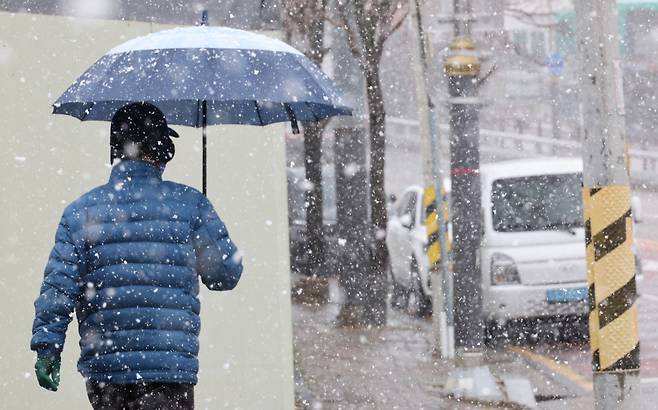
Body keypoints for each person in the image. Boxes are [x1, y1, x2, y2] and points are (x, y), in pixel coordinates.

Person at [30, 102, 243, 409]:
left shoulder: (81, 212)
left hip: (107, 370)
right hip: (170, 369)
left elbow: (58, 287)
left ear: (115, 151)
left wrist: (47, 348)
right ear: (163, 151)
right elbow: (225, 276)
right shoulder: (191, 205)